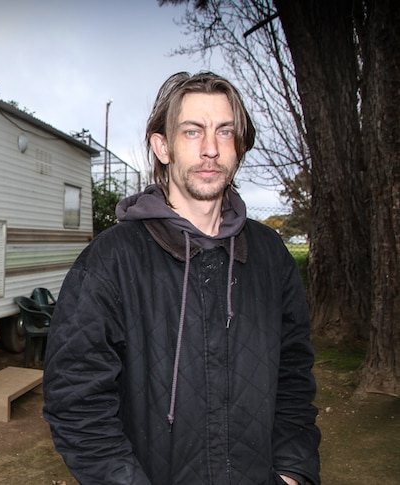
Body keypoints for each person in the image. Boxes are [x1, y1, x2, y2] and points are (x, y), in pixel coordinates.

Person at [42, 71, 321, 485]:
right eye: (193, 132)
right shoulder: (110, 261)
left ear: (238, 147)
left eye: (225, 132)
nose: (211, 149)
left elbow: (294, 378)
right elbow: (76, 401)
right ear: (163, 146)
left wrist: (293, 472)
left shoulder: (270, 256)